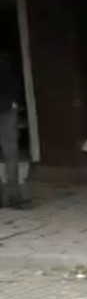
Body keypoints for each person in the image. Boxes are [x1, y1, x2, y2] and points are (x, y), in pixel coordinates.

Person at [0, 52, 27, 209]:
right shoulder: (4, 62)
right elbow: (14, 84)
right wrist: (15, 102)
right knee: (10, 151)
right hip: (6, 110)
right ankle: (12, 194)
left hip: (6, 107)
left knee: (10, 151)